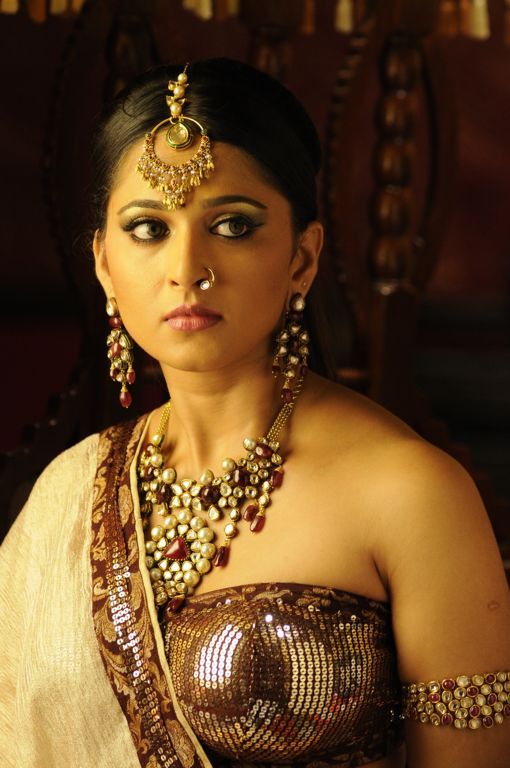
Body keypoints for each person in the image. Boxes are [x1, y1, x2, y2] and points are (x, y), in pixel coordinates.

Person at [0, 57, 508, 768]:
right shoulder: (70, 494)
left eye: (233, 225)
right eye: (148, 228)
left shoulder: (411, 491)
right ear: (104, 263)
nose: (187, 268)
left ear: (302, 258)